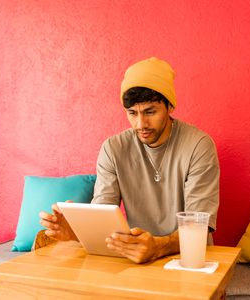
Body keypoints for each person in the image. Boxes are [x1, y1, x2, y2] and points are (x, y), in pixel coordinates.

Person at [39, 57, 220, 264]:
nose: (141, 124)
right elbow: (102, 215)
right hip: (135, 257)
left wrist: (158, 246)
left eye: (150, 112)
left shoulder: (199, 145)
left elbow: (198, 225)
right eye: (132, 113)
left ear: (170, 106)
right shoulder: (113, 148)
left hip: (189, 258)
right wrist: (75, 232)